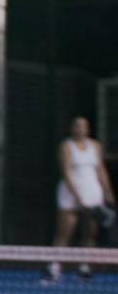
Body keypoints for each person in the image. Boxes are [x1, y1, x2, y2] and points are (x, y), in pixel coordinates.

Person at [44, 116, 116, 281]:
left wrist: (107, 191)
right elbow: (66, 172)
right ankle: (54, 267)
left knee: (90, 232)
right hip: (70, 195)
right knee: (64, 232)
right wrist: (77, 197)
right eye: (77, 126)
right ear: (72, 128)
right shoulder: (66, 146)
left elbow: (100, 170)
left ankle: (84, 267)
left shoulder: (95, 146)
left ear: (88, 129)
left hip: (92, 194)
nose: (80, 129)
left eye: (83, 126)